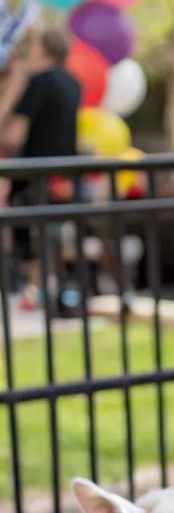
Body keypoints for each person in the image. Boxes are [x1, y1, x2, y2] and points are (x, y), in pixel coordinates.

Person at [0, 25, 80, 309]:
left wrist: (10, 96)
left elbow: (13, 136)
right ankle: (56, 288)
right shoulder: (72, 83)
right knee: (54, 232)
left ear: (42, 49)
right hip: (65, 171)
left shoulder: (38, 82)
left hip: (35, 171)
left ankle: (36, 289)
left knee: (28, 231)